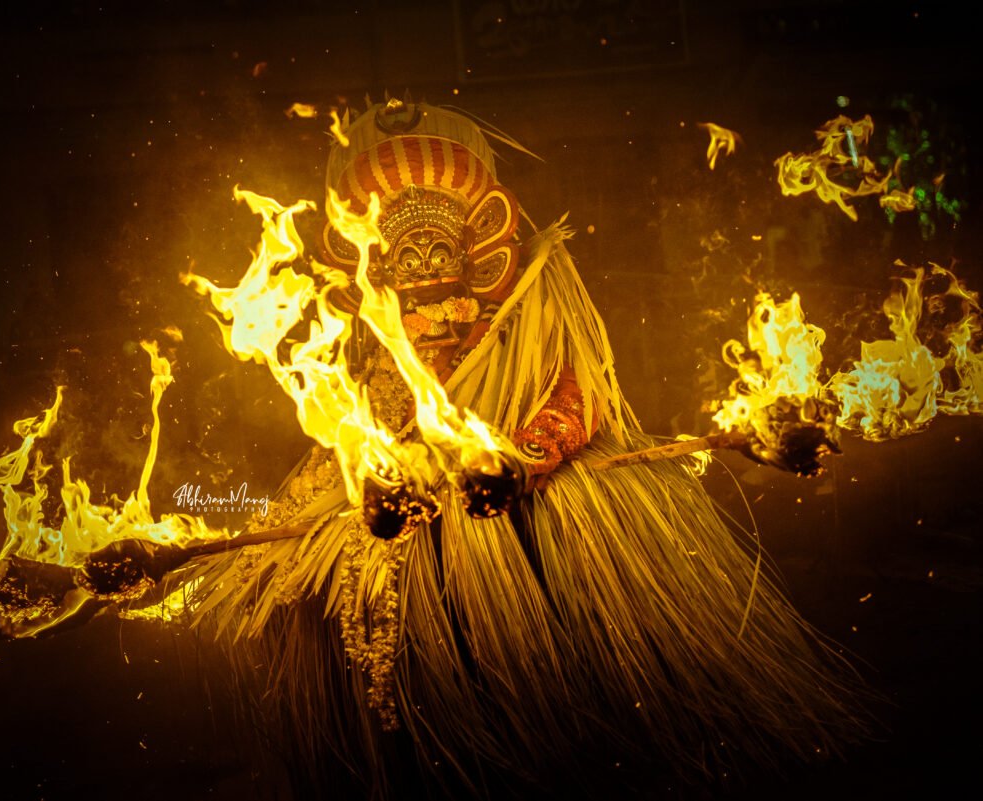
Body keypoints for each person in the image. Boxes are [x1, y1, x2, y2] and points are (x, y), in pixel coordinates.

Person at [181, 98, 869, 799]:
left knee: (549, 695)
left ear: (478, 247)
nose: (422, 273)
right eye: (403, 257)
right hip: (401, 520)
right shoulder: (370, 342)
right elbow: (353, 423)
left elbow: (581, 389)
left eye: (436, 251)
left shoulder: (533, 298)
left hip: (534, 515)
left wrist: (522, 458)